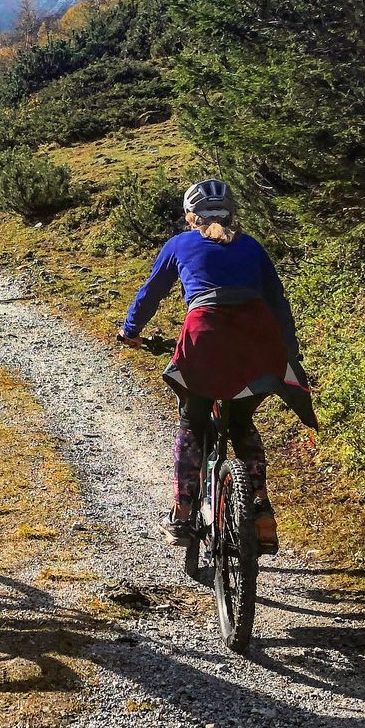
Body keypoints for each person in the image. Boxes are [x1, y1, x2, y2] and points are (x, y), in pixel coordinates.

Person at [116, 178, 303, 555]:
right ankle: (262, 513)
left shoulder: (180, 244)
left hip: (204, 336)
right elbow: (278, 303)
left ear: (190, 217)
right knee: (242, 422)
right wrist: (289, 352)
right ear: (232, 214)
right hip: (258, 340)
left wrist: (131, 331)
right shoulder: (252, 246)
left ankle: (183, 513)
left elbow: (151, 292)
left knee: (192, 420)